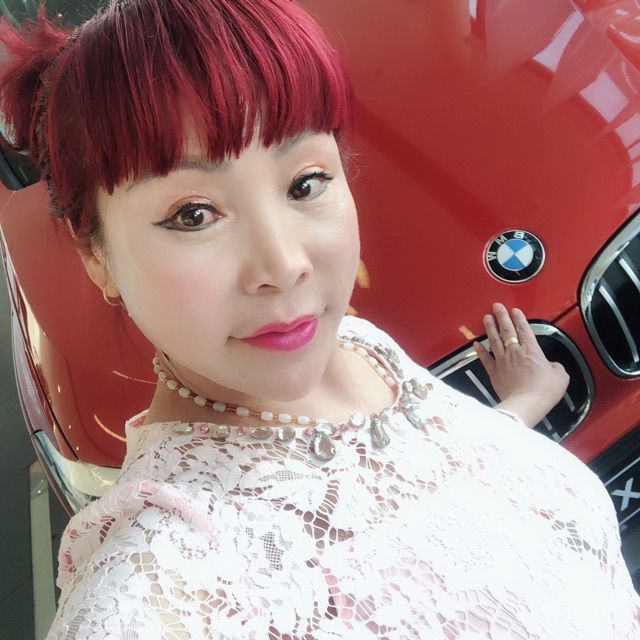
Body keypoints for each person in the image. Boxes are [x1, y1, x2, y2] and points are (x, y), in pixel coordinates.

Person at [0, 1, 638, 638]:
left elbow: (428, 506)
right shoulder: (157, 585)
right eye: (193, 215)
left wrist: (518, 412)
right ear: (97, 256)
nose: (284, 266)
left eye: (305, 183)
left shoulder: (354, 349)